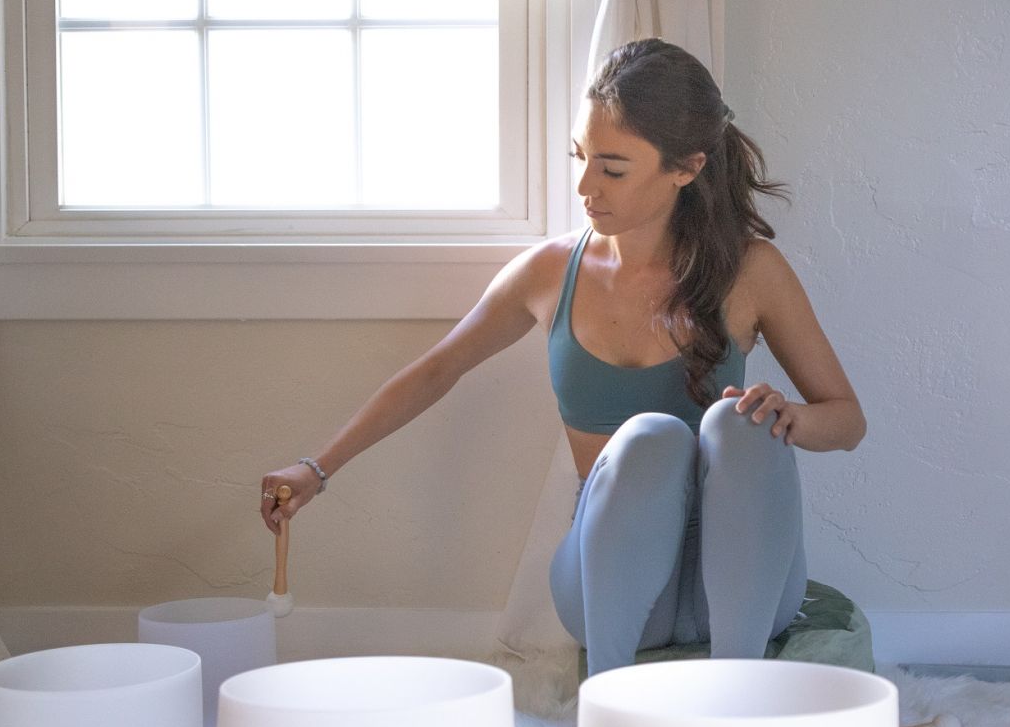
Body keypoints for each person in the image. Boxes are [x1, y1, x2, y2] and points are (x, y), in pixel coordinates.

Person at [259, 38, 865, 679]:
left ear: (686, 168)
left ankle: (737, 690)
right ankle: (606, 697)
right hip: (610, 578)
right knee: (650, 438)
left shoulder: (751, 271)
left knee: (738, 424)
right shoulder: (549, 272)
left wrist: (790, 417)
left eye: (612, 169)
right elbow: (438, 369)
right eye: (580, 157)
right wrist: (316, 468)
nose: (584, 187)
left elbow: (847, 421)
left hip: (743, 588)